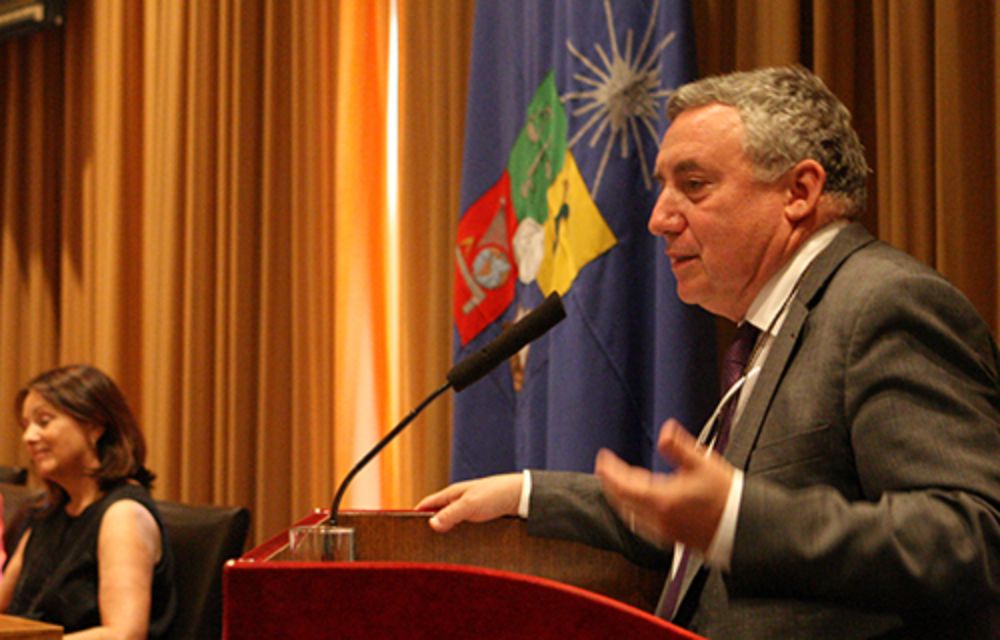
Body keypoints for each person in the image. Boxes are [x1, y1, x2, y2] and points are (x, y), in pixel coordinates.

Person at [418, 66, 1000, 639]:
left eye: (693, 186)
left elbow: (968, 540)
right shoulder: (776, 327)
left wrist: (735, 518)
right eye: (664, 187)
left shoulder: (883, 305)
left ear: (799, 192)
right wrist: (525, 493)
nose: (659, 219)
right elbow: (698, 531)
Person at [0, 365, 176, 639]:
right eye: (26, 426)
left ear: (95, 425)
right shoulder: (48, 511)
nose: (29, 437)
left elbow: (123, 633)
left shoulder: (123, 515)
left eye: (43, 421)